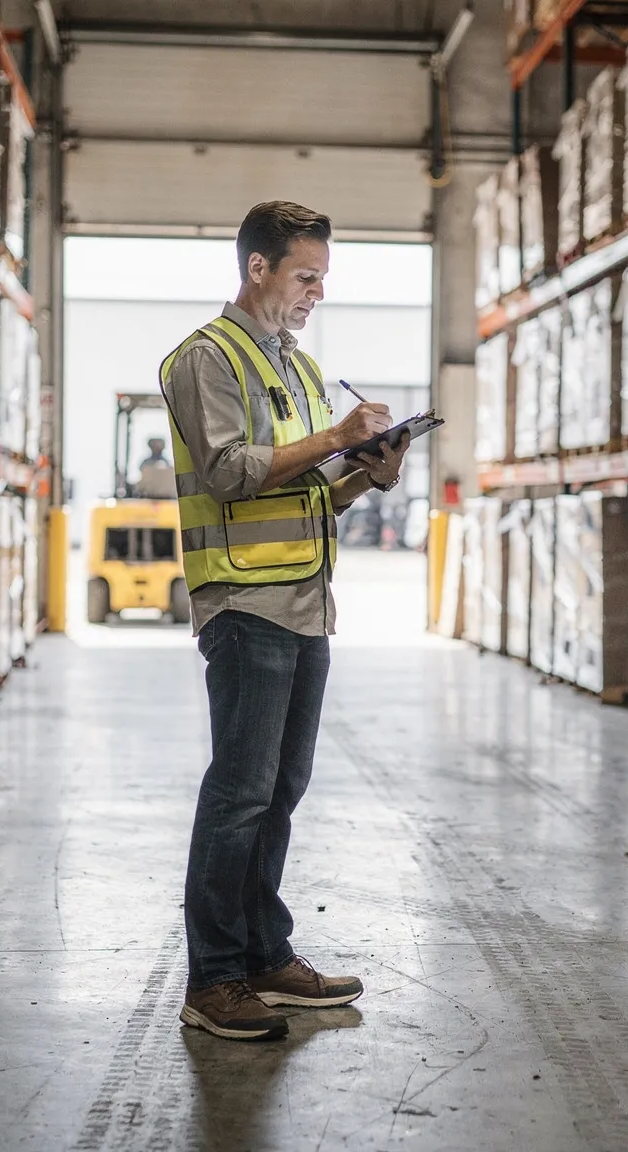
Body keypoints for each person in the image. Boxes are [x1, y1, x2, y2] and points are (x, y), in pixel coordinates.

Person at [157, 200, 405, 1042]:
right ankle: (214, 978)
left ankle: (266, 954)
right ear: (257, 267)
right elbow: (230, 473)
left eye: (323, 280)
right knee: (239, 793)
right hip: (243, 602)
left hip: (305, 601)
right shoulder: (204, 360)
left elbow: (303, 492)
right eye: (306, 277)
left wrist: (366, 473)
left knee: (282, 789)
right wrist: (336, 435)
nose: (316, 294)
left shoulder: (297, 369)